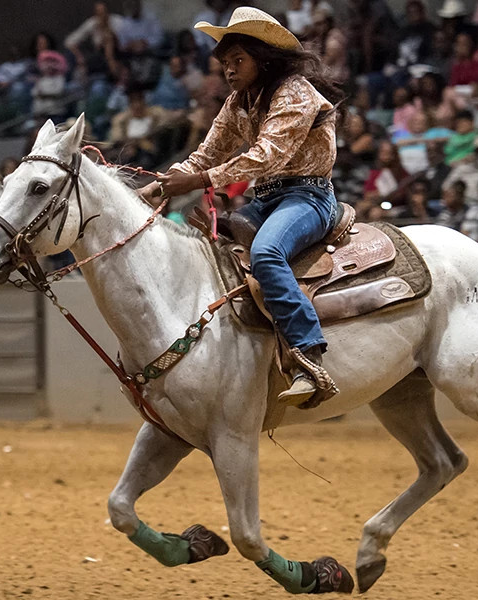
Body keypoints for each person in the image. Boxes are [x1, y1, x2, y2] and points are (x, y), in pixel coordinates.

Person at [136, 7, 346, 409]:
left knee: (266, 253)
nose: (229, 70)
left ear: (262, 59)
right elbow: (205, 153)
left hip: (309, 197)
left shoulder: (295, 93)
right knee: (203, 246)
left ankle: (308, 355)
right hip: (265, 201)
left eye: (238, 61)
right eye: (225, 63)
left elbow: (266, 155)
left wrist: (196, 182)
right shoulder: (238, 102)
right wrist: (157, 187)